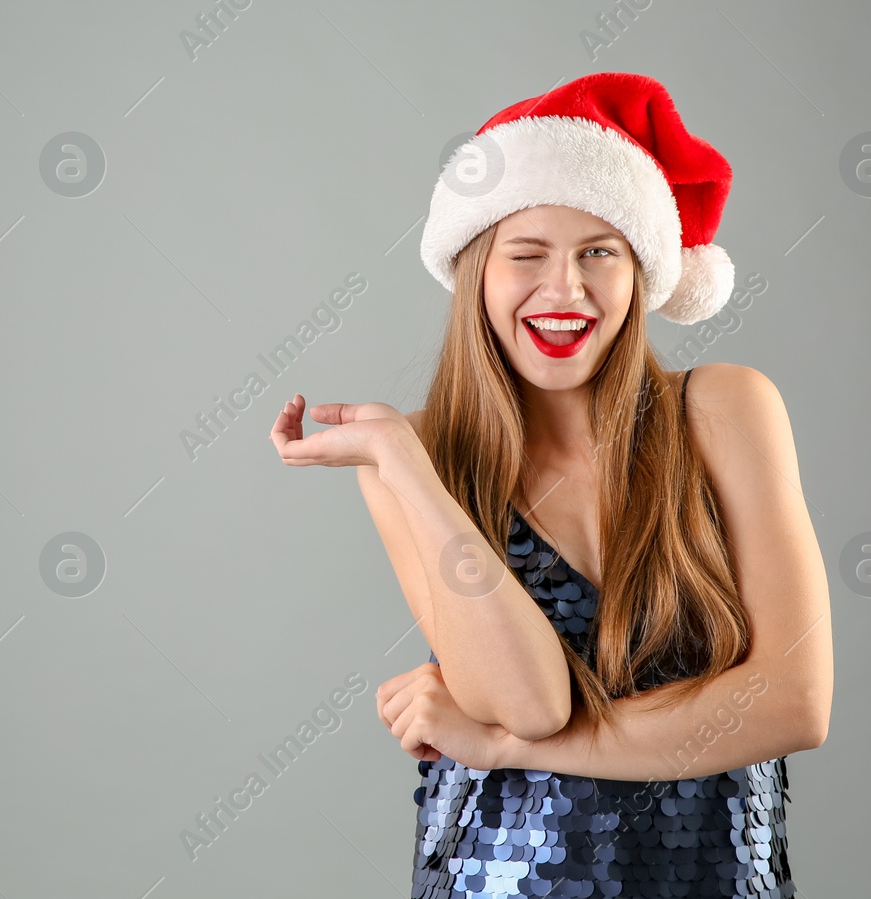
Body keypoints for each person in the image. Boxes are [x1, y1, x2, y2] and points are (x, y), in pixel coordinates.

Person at [269, 73, 831, 897]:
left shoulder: (726, 409)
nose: (564, 290)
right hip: (494, 874)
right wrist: (402, 461)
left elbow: (794, 700)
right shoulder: (416, 462)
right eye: (526, 254)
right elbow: (531, 699)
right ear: (477, 276)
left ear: (642, 274)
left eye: (599, 253)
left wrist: (510, 747)